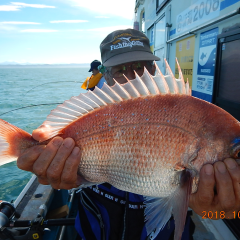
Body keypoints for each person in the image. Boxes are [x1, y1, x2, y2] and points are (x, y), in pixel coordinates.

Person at [17, 29, 240, 239]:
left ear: (153, 69)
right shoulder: (87, 117)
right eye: (121, 70)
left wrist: (219, 211)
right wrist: (62, 173)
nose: (134, 75)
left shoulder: (200, 119)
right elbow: (69, 173)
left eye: (142, 66)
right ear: (106, 74)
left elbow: (200, 205)